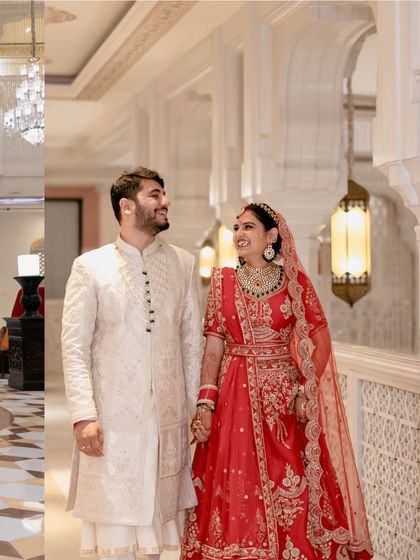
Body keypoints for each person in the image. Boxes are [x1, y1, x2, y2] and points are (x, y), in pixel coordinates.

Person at [181, 203, 373, 560]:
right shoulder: (222, 282)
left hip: (282, 404)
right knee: (236, 487)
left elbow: (320, 339)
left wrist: (305, 390)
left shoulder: (294, 282)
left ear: (271, 236)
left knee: (291, 484)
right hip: (233, 400)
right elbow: (212, 352)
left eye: (249, 227)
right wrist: (205, 404)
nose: (239, 233)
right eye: (237, 227)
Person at [61, 166, 203, 560]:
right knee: (116, 536)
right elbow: (74, 345)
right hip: (112, 422)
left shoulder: (183, 264)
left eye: (164, 194)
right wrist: (82, 415)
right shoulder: (90, 267)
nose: (165, 202)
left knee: (162, 535)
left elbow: (192, 343)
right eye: (155, 195)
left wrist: (195, 408)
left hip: (167, 422)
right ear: (126, 206)